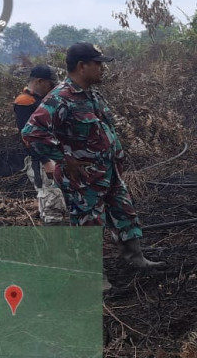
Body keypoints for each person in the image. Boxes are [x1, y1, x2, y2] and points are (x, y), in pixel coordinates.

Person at [22, 43, 165, 275]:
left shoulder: (91, 95)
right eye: (98, 64)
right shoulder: (60, 98)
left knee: (124, 213)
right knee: (88, 225)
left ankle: (135, 258)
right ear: (82, 66)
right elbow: (31, 132)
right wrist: (63, 158)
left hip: (109, 173)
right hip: (84, 179)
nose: (102, 68)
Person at [12, 64, 66, 225]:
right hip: (41, 161)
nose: (53, 89)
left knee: (59, 199)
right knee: (51, 200)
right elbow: (28, 136)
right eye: (51, 85)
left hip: (55, 156)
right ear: (40, 81)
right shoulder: (25, 102)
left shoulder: (41, 100)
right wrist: (45, 161)